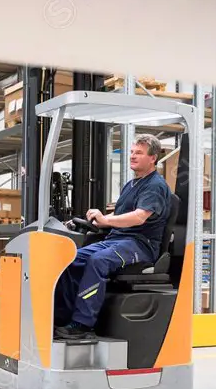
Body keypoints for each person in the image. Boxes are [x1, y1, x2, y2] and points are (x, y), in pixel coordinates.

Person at [54, 134, 172, 340]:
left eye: (139, 153)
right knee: (69, 259)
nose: (133, 156)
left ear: (153, 158)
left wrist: (107, 221)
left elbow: (139, 217)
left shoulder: (155, 185)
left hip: (140, 245)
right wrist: (100, 218)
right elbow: (119, 214)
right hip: (117, 240)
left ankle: (82, 324)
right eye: (133, 152)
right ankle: (62, 318)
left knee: (98, 261)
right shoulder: (131, 184)